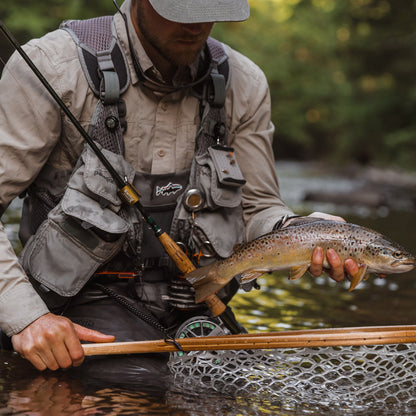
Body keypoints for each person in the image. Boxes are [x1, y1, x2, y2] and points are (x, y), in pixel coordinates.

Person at [0, 0, 359, 376]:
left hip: (198, 299)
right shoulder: (52, 66)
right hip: (78, 303)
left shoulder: (244, 84)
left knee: (236, 385)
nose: (198, 24)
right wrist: (27, 318)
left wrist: (299, 231)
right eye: (181, 10)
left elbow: (259, 207)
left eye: (211, 9)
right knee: (136, 386)